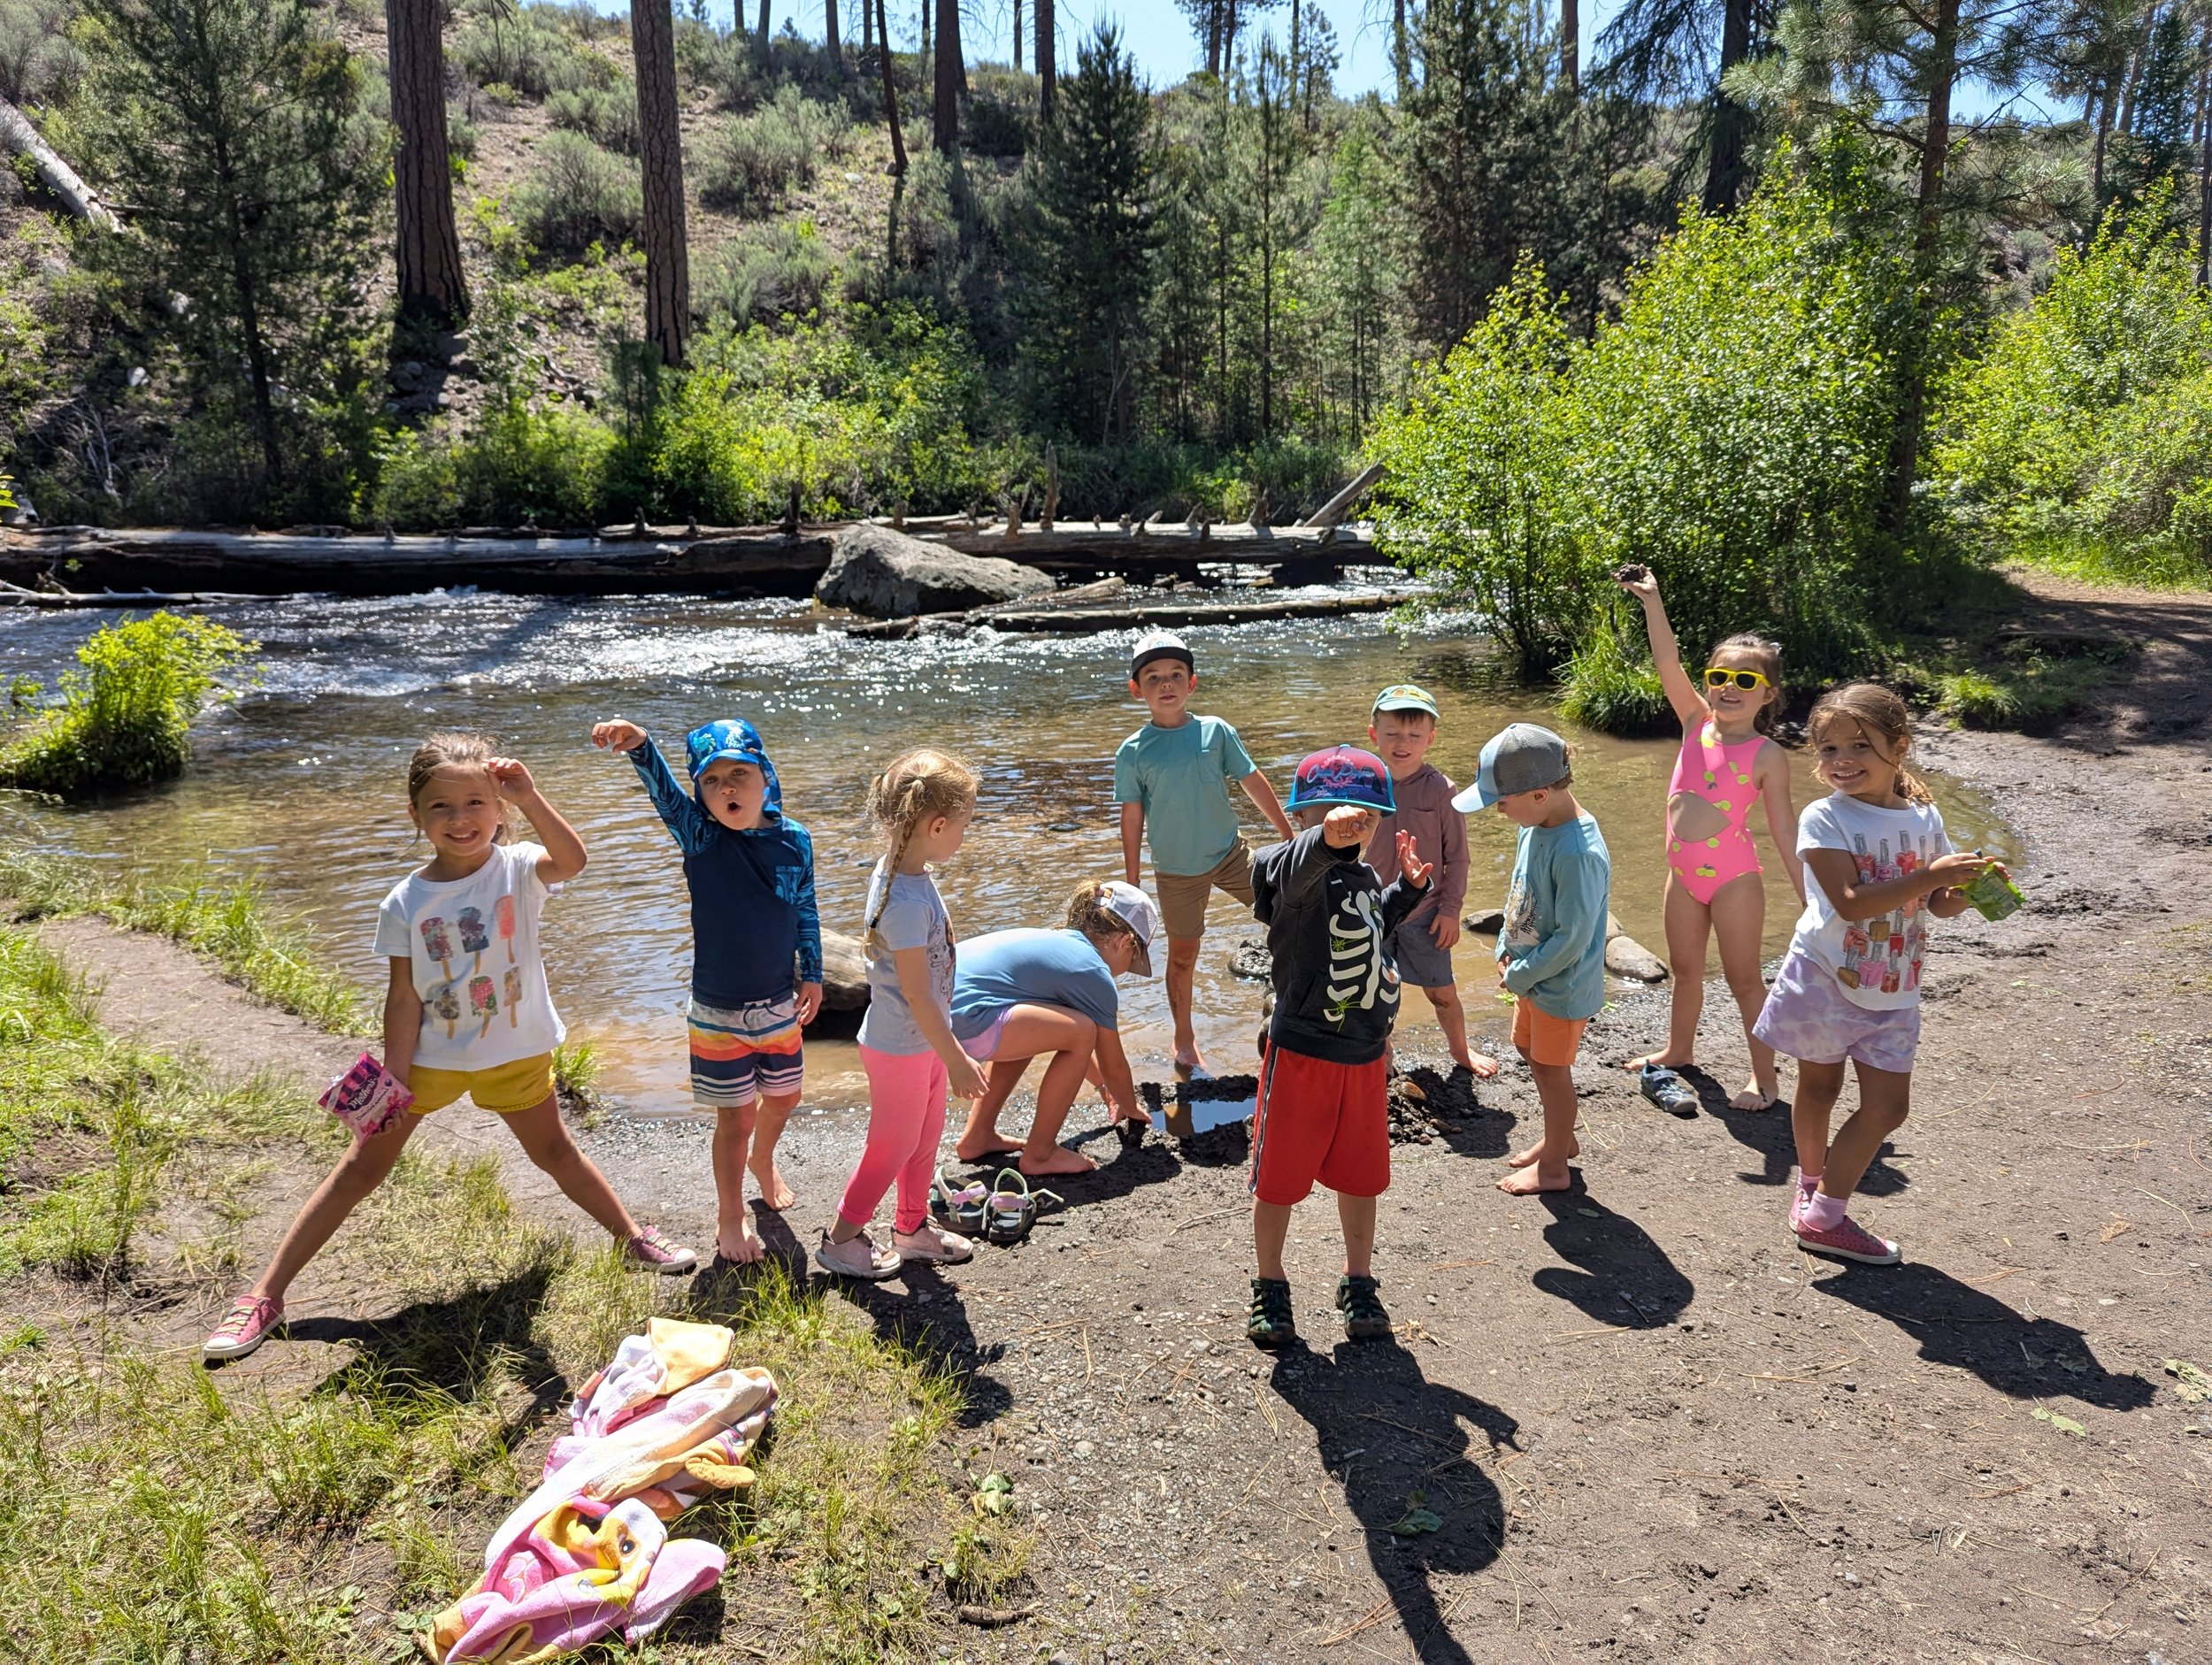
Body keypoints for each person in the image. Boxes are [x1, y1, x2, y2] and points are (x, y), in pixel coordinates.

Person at [201, 733, 694, 1364]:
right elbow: (403, 998)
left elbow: (573, 861)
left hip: (518, 1055)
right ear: (416, 815)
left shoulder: (518, 868)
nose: (460, 819)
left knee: (555, 1152)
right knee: (360, 1170)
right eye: (441, 807)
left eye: (476, 803)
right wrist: (394, 1078)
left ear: (500, 810)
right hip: (430, 1062)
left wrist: (531, 794)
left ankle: (630, 1239)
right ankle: (265, 1297)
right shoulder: (405, 902)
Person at [1752, 683, 1988, 1265]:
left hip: (1895, 984)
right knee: (1821, 1088)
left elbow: (1936, 904)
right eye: (1828, 749)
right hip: (1826, 977)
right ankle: (1816, 1196)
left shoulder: (1924, 815)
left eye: (1859, 745)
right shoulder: (1823, 817)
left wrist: (1969, 891)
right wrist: (1930, 874)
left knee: (1888, 1108)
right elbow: (1852, 902)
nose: (1842, 761)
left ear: (1899, 747)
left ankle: (1821, 1213)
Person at [589, 715, 821, 1264]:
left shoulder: (795, 841)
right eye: (711, 781)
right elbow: (666, 797)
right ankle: (730, 1215)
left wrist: (811, 971)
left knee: (785, 1097)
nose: (727, 788)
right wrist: (641, 747)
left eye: (739, 773)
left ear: (766, 777)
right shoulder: (701, 838)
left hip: (778, 1003)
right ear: (702, 793)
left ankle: (764, 1161)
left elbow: (804, 907)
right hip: (717, 1011)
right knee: (735, 1117)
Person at [1245, 746, 1432, 1350]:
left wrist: (1406, 889)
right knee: (1277, 1181)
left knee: (1361, 1177)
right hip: (1302, 1053)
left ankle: (1359, 1279)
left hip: (1364, 1054)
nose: (1353, 826)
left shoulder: (1364, 875)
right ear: (1303, 816)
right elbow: (1295, 873)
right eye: (1334, 814)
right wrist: (1323, 841)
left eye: (1366, 819)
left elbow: (1370, 922)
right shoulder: (1286, 868)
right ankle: (1270, 1284)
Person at [1615, 569, 1805, 1112]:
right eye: (1721, 676)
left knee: (1745, 980)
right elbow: (1666, 663)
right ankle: (1679, 1048)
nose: (1729, 688)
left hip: (1735, 879)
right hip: (1682, 876)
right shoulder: (1693, 719)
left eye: (1746, 681)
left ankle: (1764, 1078)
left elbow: (1785, 830)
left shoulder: (1768, 755)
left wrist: (1811, 896)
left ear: (1768, 694)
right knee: (1687, 971)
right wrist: (1652, 599)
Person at [818, 747, 986, 1280]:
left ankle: (911, 1229)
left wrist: (945, 1048)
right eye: (963, 825)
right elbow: (915, 994)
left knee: (924, 1137)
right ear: (936, 826)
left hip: (924, 1041)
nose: (965, 836)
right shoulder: (906, 901)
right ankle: (842, 1238)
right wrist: (957, 1057)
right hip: (902, 1045)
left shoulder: (905, 867)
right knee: (892, 1147)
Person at [1114, 630, 1294, 1077]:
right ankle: (1184, 1040)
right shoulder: (1133, 751)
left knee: (1291, 912)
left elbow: (1252, 782)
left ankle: (1292, 1004)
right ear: (1138, 690)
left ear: (1192, 683)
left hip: (1231, 854)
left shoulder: (1216, 732)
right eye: (1153, 677)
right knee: (1182, 956)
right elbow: (1132, 817)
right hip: (1176, 872)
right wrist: (1133, 881)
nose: (1166, 684)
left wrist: (1288, 834)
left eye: (1176, 674)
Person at [1455, 725, 1611, 1198]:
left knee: (1550, 1070)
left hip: (1559, 986)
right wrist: (1504, 943)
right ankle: (1561, 1140)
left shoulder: (1578, 852)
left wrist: (1521, 974)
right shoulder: (1536, 825)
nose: (1497, 810)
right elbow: (1520, 895)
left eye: (1500, 801)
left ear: (1540, 793)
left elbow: (1572, 938)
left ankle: (1555, 1169)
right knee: (1529, 1052)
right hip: (1530, 979)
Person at [949, 880, 1159, 1176]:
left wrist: (1102, 1086)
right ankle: (1041, 1154)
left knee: (1035, 1026)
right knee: (1083, 1030)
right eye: (1133, 959)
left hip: (937, 1015)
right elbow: (1111, 1062)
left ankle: (977, 1136)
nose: (1126, 968)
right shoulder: (1093, 972)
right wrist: (1130, 1105)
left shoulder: (1059, 946)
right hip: (969, 1021)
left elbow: (1066, 1038)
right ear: (1123, 942)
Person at [1365, 682, 1495, 1078]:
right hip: (1372, 911)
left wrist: (1451, 910)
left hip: (1426, 912)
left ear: (1430, 739)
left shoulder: (1442, 790)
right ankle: (1381, 1055)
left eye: (1414, 735)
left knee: (1442, 992)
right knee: (1374, 992)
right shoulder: (1363, 784)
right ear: (1374, 734)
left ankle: (1461, 1050)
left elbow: (1457, 857)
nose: (1402, 743)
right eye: (1392, 734)